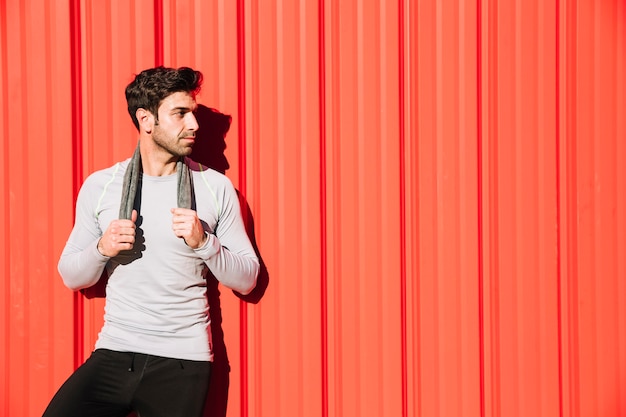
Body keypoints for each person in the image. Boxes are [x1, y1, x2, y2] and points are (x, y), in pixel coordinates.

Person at [43, 66, 259, 417]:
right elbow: (71, 276)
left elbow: (247, 279)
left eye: (192, 113)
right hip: (115, 351)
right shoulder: (102, 186)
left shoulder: (213, 187)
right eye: (180, 114)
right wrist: (103, 248)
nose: (194, 125)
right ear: (146, 120)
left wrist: (205, 243)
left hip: (182, 363)